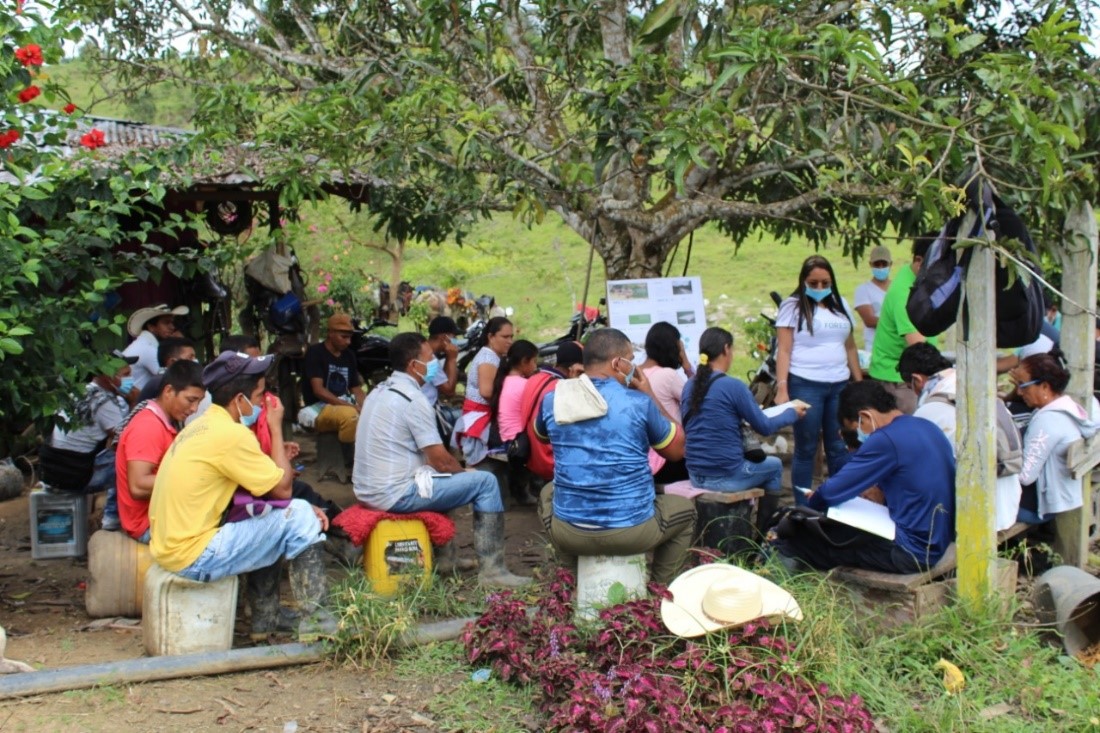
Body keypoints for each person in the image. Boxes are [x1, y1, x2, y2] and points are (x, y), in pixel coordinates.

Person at [148, 351, 336, 641]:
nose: (265, 402)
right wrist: (275, 426)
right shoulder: (231, 435)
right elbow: (284, 488)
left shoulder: (199, 426)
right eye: (260, 395)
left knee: (276, 515)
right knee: (298, 515)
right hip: (194, 554)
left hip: (171, 548)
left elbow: (263, 492)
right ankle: (319, 622)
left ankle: (266, 620)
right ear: (239, 400)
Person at [352, 332, 530, 587]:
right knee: (485, 482)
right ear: (414, 365)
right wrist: (465, 474)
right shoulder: (413, 400)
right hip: (395, 493)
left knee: (444, 481)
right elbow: (441, 461)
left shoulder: (379, 391)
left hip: (368, 489)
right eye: (430, 357)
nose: (434, 362)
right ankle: (493, 571)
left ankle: (447, 560)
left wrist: (454, 474)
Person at [534, 328, 696, 585]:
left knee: (547, 494)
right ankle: (660, 593)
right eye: (630, 358)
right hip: (630, 531)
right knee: (686, 512)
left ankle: (567, 585)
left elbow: (542, 437)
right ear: (618, 363)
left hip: (570, 532)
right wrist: (650, 394)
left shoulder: (554, 400)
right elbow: (677, 450)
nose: (634, 365)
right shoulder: (638, 403)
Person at [772, 381, 956, 573]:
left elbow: (829, 493)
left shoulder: (885, 438)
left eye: (855, 430)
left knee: (800, 539)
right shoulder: (926, 426)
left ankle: (780, 589)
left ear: (864, 417)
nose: (859, 437)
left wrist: (813, 503)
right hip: (939, 539)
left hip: (912, 552)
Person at [682, 327, 806, 535]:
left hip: (696, 474)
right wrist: (792, 413)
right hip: (726, 476)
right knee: (774, 466)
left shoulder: (689, 385)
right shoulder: (733, 386)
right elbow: (764, 426)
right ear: (726, 349)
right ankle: (762, 536)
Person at [898, 342, 1023, 531]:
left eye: (910, 386)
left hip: (976, 516)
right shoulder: (976, 383)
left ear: (917, 379)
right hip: (1008, 505)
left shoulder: (929, 410)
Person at [774, 255, 862, 500]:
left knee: (837, 445)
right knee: (807, 447)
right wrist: (783, 388)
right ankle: (804, 505)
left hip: (839, 384)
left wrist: (859, 383)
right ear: (803, 281)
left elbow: (851, 347)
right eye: (814, 283)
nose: (820, 288)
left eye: (825, 283)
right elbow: (784, 349)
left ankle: (840, 501)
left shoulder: (840, 304)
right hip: (806, 383)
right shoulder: (792, 306)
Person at [42, 350, 139, 530]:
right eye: (125, 375)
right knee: (131, 461)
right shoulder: (103, 401)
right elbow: (128, 439)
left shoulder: (79, 391)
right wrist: (134, 402)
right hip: (75, 475)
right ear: (107, 376)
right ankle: (112, 518)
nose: (130, 379)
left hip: (54, 470)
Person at [114, 360, 207, 542]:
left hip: (161, 517)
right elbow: (138, 485)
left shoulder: (164, 422)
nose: (194, 409)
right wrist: (195, 480)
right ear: (168, 391)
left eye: (199, 402)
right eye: (190, 400)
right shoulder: (148, 426)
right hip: (148, 525)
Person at [1012, 353, 1099, 524]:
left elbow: (1025, 476)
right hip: (1062, 498)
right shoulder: (1069, 407)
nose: (1019, 392)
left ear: (1044, 386)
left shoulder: (1048, 420)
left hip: (1036, 509)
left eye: (1023, 386)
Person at [868, 235, 937, 413]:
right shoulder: (904, 294)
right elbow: (918, 346)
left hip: (910, 376)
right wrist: (945, 374)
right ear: (919, 260)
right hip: (898, 381)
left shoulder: (917, 279)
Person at [519, 340, 585, 482]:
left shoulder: (534, 378)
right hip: (550, 462)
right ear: (574, 369)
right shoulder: (561, 389)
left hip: (531, 456)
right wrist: (574, 384)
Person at [454, 316, 514, 465]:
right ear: (491, 337)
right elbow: (487, 392)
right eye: (505, 337)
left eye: (511, 337)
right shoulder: (488, 359)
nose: (510, 341)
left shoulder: (492, 355)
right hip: (480, 416)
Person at [639, 322, 694, 485]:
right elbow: (698, 400)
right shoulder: (667, 375)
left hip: (643, 459)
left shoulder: (634, 374)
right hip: (669, 458)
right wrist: (687, 367)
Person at [301, 313, 366, 449]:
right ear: (330, 333)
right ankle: (348, 455)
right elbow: (318, 391)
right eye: (344, 337)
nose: (348, 342)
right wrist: (350, 406)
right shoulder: (315, 353)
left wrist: (367, 407)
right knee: (350, 416)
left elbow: (356, 389)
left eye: (350, 337)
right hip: (317, 408)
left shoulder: (349, 355)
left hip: (342, 404)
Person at [489, 339, 541, 505]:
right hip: (517, 442)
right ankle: (535, 486)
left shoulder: (505, 381)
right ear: (525, 361)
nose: (535, 365)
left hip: (505, 437)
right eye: (534, 361)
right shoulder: (524, 384)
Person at [123, 304, 189, 390]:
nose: (172, 327)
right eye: (166, 323)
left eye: (172, 322)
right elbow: (174, 379)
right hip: (135, 401)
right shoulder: (146, 348)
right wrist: (180, 343)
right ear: (151, 327)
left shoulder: (146, 343)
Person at [422, 316, 461, 438]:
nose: (455, 341)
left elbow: (441, 381)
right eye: (453, 337)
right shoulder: (430, 360)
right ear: (445, 338)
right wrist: (452, 359)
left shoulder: (425, 352)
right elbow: (449, 390)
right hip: (426, 412)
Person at [852, 245, 893, 352]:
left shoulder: (898, 288)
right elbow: (869, 321)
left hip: (897, 345)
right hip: (875, 346)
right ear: (870, 264)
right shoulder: (863, 290)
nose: (880, 268)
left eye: (884, 264)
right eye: (877, 264)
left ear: (890, 264)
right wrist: (898, 322)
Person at [136, 337, 197, 403]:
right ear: (172, 362)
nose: (195, 361)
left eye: (194, 357)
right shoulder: (163, 383)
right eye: (190, 357)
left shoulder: (163, 379)